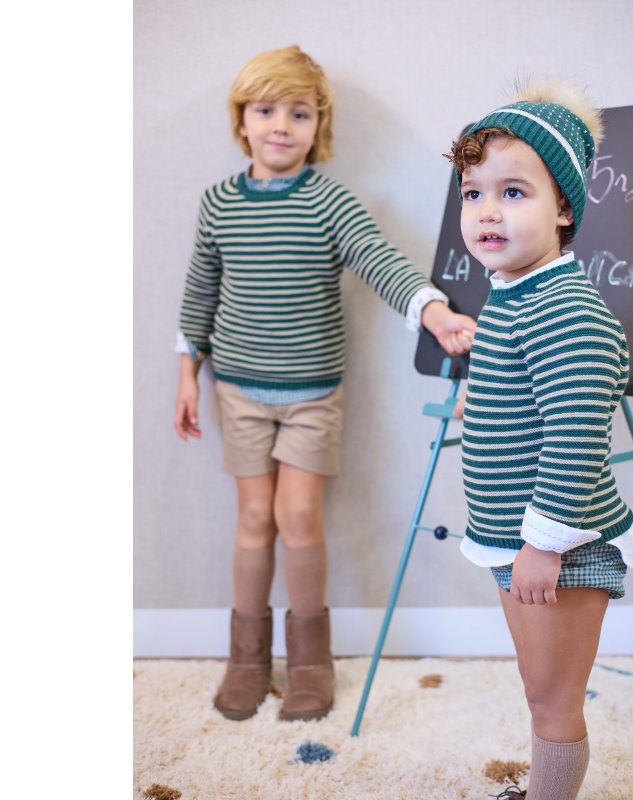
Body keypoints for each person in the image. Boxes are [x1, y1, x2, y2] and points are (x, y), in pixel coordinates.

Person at [173, 45, 475, 723]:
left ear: (319, 125)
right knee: (255, 519)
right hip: (238, 392)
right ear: (242, 120)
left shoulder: (330, 202)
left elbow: (380, 260)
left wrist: (434, 312)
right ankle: (247, 659)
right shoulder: (218, 205)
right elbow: (200, 294)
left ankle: (311, 661)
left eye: (299, 112)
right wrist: (186, 372)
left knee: (299, 517)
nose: (282, 125)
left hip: (311, 395)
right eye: (266, 110)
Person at [447, 81, 633, 800]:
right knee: (538, 687)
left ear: (563, 208)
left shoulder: (565, 309)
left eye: (514, 192)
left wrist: (544, 544)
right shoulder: (513, 293)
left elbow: (577, 437)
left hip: (561, 543)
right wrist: (482, 399)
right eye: (473, 193)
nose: (487, 211)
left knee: (553, 700)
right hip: (518, 538)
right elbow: (531, 393)